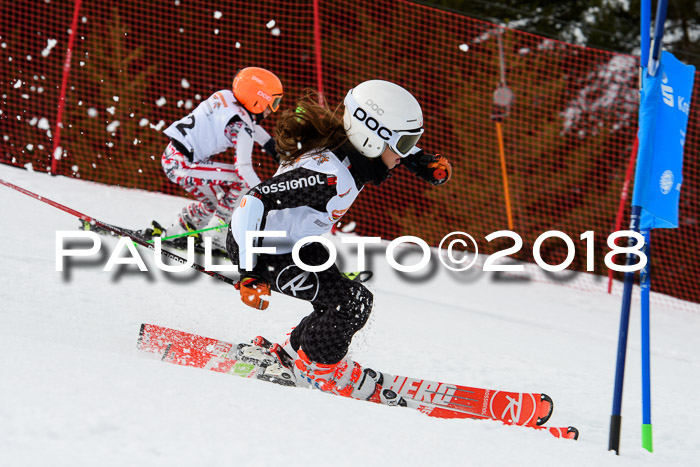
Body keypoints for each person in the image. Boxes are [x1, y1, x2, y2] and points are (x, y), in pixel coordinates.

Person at [227, 80, 452, 401]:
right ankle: (318, 371)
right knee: (352, 303)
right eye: (405, 144)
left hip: (293, 245)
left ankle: (291, 356)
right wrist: (249, 271)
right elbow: (254, 201)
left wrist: (420, 161)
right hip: (261, 250)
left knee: (337, 294)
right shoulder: (327, 178)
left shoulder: (349, 147)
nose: (404, 153)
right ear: (373, 137)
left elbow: (391, 145)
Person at [150, 67, 283, 250]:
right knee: (242, 181)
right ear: (258, 98)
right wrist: (265, 196)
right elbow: (243, 168)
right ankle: (214, 235)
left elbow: (250, 125)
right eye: (273, 103)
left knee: (213, 202)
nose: (273, 110)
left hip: (173, 157)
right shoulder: (241, 127)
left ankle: (176, 232)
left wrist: (275, 150)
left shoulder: (225, 96)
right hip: (184, 163)